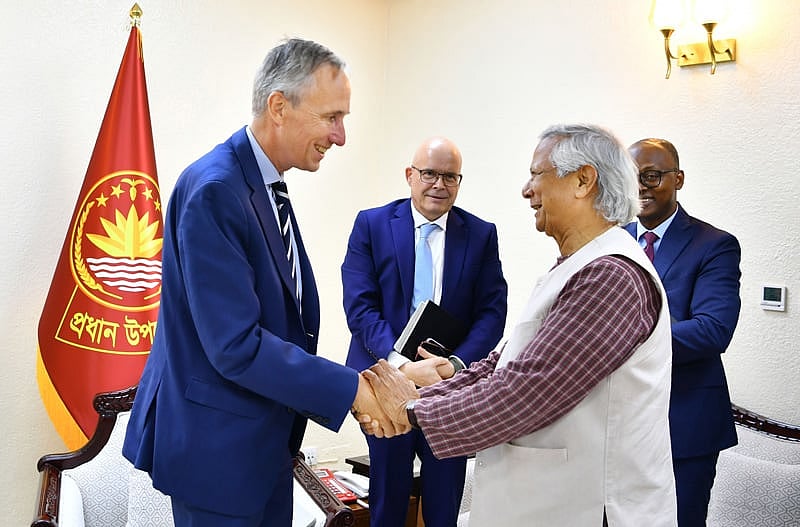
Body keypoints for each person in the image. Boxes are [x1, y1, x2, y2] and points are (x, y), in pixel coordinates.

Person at [122, 38, 397, 527]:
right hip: (217, 460)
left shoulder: (264, 184)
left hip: (263, 451)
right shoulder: (216, 190)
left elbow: (283, 322)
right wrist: (352, 391)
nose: (340, 136)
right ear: (279, 107)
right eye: (332, 117)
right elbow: (236, 345)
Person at [358, 124, 679, 526]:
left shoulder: (611, 276)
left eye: (537, 175)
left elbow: (528, 389)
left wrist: (411, 410)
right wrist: (433, 384)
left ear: (583, 181)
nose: (527, 190)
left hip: (591, 509)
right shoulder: (579, 266)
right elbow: (504, 363)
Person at [341, 136, 508, 527]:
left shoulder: (481, 234)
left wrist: (455, 364)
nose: (439, 184)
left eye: (450, 176)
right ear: (410, 175)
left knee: (443, 502)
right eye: (430, 173)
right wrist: (401, 368)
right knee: (388, 497)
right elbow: (361, 307)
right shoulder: (372, 224)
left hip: (449, 388)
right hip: (383, 385)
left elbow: (491, 312)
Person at [625, 138, 741, 527]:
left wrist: (624, 342)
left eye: (652, 176)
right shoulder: (608, 240)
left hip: (684, 425)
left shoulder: (715, 245)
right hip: (616, 426)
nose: (640, 186)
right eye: (631, 177)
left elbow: (713, 330)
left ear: (679, 179)